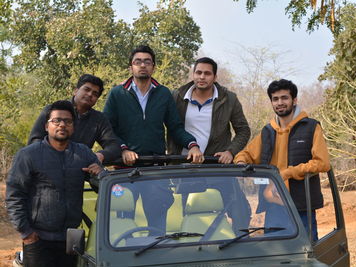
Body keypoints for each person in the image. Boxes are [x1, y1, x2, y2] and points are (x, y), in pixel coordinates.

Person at [103, 45, 203, 234]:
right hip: (124, 167)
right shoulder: (117, 93)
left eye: (147, 62)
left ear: (153, 67)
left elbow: (175, 127)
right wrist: (123, 149)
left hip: (155, 167)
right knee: (124, 218)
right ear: (130, 67)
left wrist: (192, 145)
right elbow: (107, 129)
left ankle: (157, 255)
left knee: (158, 219)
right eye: (137, 62)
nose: (142, 65)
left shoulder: (164, 93)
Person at [6, 100, 104, 267]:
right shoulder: (28, 155)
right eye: (56, 120)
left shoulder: (83, 153)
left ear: (73, 126)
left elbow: (102, 187)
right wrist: (26, 233)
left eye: (67, 121)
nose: (62, 125)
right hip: (38, 239)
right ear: (46, 126)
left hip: (71, 240)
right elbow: (14, 195)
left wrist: (101, 174)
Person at [234, 79, 330, 241]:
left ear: (294, 100)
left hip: (301, 204)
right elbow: (245, 154)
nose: (280, 102)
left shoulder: (311, 127)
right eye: (275, 99)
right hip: (274, 205)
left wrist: (289, 172)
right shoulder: (268, 131)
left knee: (305, 252)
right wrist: (241, 163)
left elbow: (323, 163)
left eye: (284, 98)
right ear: (271, 102)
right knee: (275, 253)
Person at [168, 57, 252, 234]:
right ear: (193, 74)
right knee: (188, 213)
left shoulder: (229, 99)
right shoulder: (176, 96)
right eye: (198, 72)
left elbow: (243, 130)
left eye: (207, 73)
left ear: (214, 76)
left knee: (240, 210)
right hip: (184, 166)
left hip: (217, 166)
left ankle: (238, 247)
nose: (202, 77)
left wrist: (231, 151)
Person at [28, 74, 120, 164]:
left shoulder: (98, 119)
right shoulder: (53, 111)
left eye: (95, 94)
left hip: (78, 168)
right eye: (86, 89)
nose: (90, 94)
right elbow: (35, 140)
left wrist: (101, 155)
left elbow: (113, 145)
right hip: (48, 164)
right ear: (75, 91)